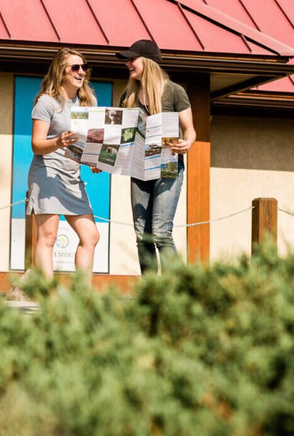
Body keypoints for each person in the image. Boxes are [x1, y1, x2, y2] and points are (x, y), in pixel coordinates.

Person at [117, 38, 196, 273]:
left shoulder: (174, 91)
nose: (128, 63)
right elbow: (122, 138)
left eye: (132, 59)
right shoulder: (128, 96)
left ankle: (178, 293)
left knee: (160, 234)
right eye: (127, 60)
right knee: (143, 235)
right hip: (138, 169)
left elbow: (190, 129)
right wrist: (103, 159)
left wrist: (188, 142)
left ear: (148, 62)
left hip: (167, 167)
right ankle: (152, 294)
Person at [26, 48, 101, 282]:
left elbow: (87, 144)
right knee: (48, 236)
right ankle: (46, 297)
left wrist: (94, 161)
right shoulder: (46, 102)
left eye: (84, 67)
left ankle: (82, 295)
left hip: (72, 177)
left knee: (91, 236)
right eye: (75, 67)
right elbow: (37, 145)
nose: (81, 72)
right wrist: (57, 141)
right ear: (61, 71)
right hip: (47, 173)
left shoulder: (88, 102)